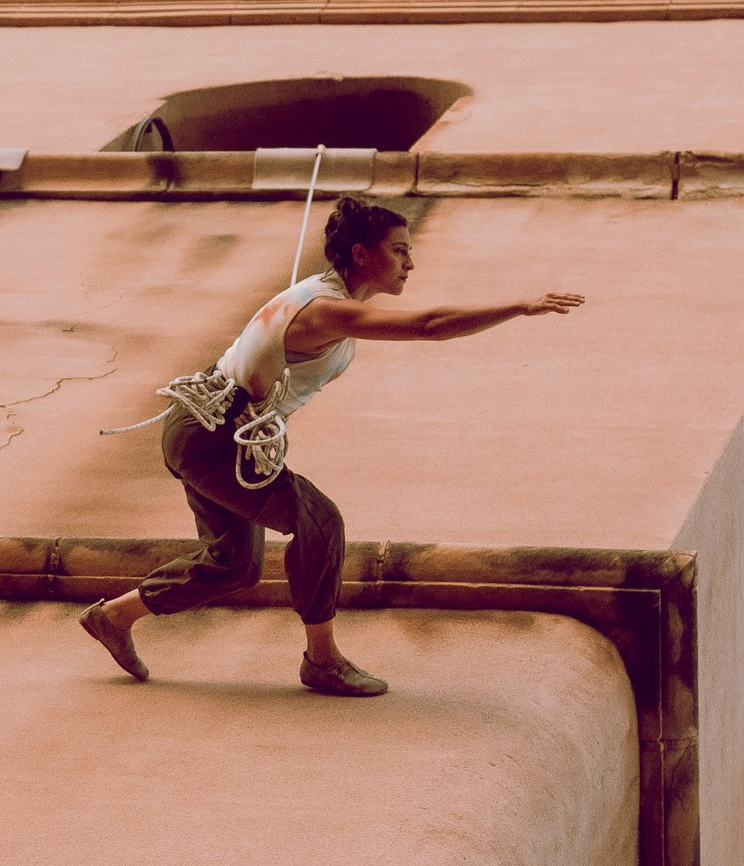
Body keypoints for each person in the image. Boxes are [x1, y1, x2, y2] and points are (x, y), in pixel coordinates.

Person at [79, 196, 583, 694]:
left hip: (209, 433)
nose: (411, 262)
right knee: (318, 520)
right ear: (362, 254)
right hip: (212, 434)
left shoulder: (329, 301)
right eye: (400, 250)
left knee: (235, 565)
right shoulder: (323, 310)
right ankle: (322, 661)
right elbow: (429, 327)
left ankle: (114, 617)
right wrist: (519, 306)